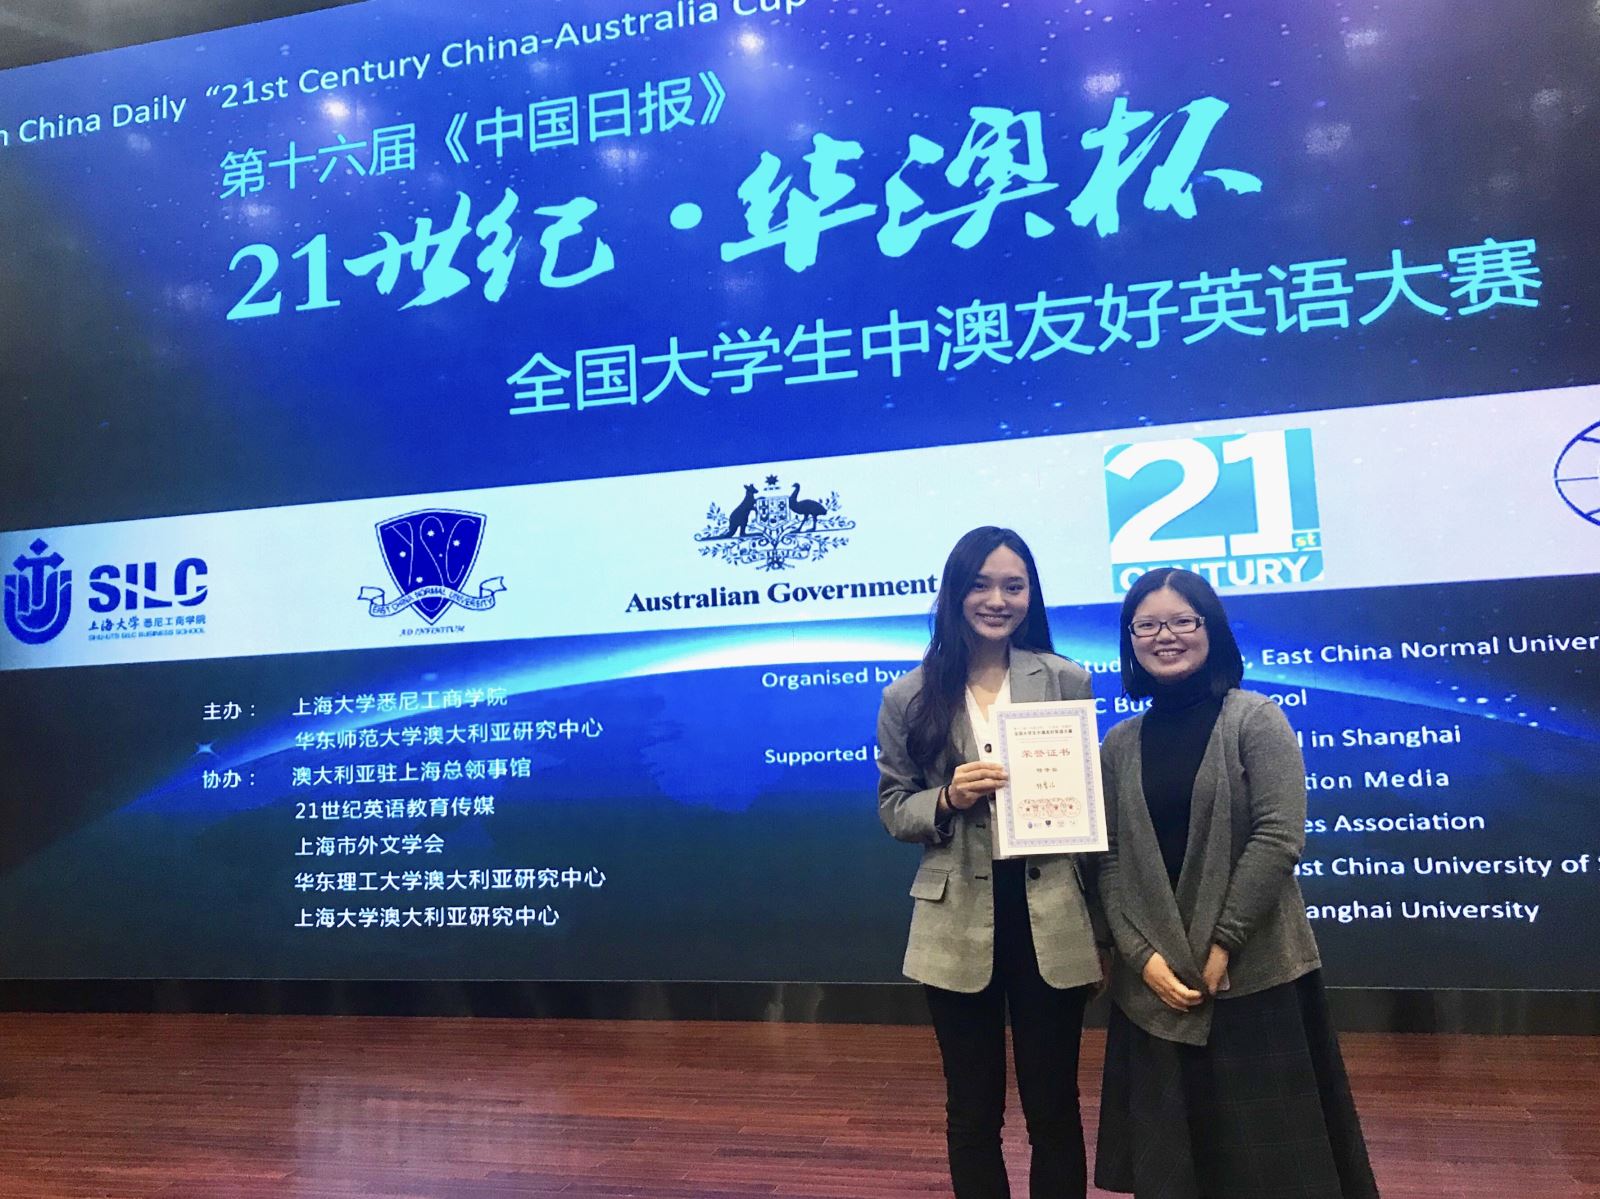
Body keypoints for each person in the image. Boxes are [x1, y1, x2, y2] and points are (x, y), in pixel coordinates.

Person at [1094, 567, 1379, 1199]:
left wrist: (1222, 944)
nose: (1165, 636)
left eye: (1182, 621)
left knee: (1271, 1171)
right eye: (1147, 625)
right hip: (1156, 987)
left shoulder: (1256, 718)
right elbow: (1108, 859)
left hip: (1252, 976)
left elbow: (1279, 837)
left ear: (1211, 630)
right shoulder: (1118, 744)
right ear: (1130, 640)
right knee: (1173, 1173)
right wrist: (1140, 959)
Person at [876, 526, 1103, 1199]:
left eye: (1013, 585)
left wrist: (1104, 927)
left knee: (1054, 1106)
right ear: (954, 592)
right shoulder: (909, 694)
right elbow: (893, 808)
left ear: (1031, 596)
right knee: (972, 1110)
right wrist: (947, 797)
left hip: (1050, 910)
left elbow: (1090, 804)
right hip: (956, 916)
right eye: (980, 584)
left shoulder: (1064, 678)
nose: (997, 599)